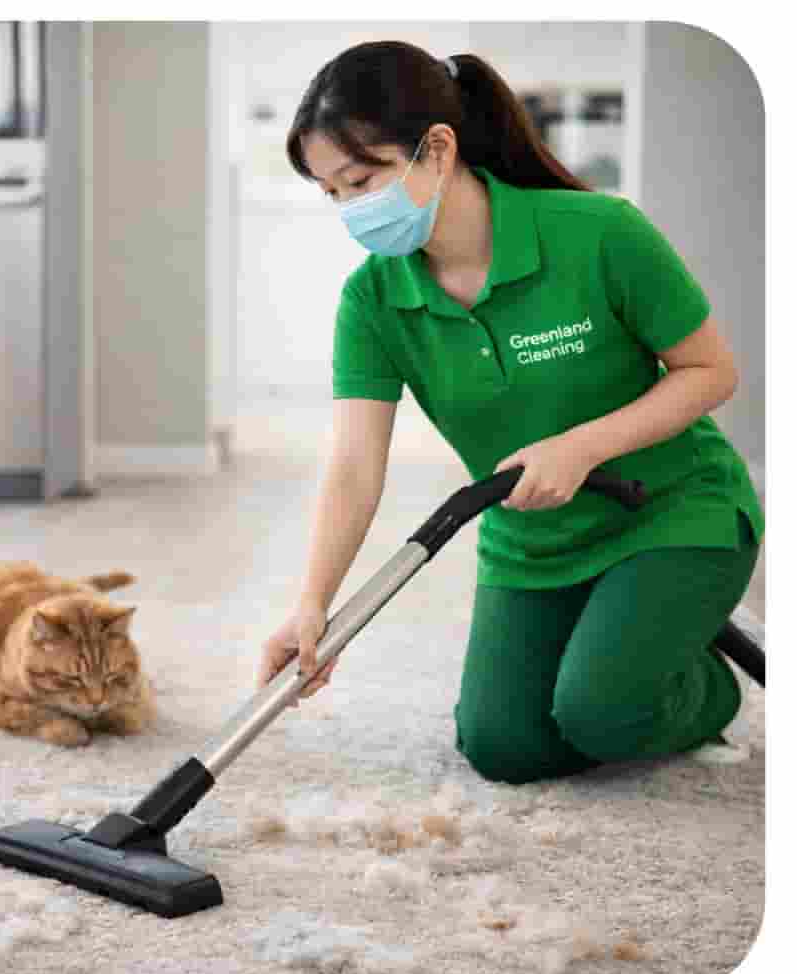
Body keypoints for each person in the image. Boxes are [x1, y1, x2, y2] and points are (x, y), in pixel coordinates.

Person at [253, 41, 765, 785]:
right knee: (503, 748)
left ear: (437, 149)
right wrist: (312, 605)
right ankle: (633, 636)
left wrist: (582, 447)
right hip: (534, 539)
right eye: (331, 193)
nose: (350, 210)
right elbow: (356, 464)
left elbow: (711, 371)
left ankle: (707, 684)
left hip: (671, 513)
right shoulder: (372, 300)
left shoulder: (600, 233)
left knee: (600, 712)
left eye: (361, 181)